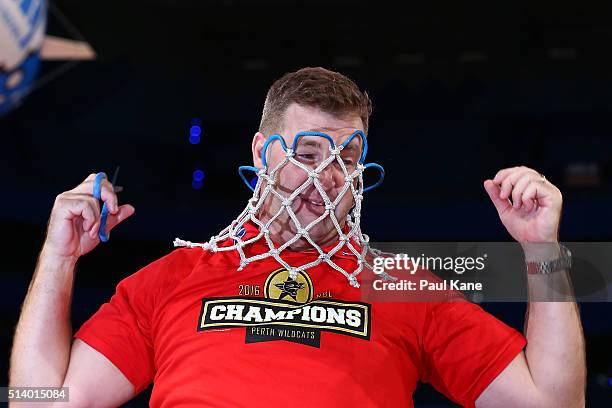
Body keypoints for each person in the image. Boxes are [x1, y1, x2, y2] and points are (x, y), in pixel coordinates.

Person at [9, 67, 585, 407]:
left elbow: (554, 404)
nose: (326, 174)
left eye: (346, 156)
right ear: (262, 155)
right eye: (308, 152)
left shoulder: (403, 284)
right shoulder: (171, 278)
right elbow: (41, 402)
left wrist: (543, 248)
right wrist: (58, 256)